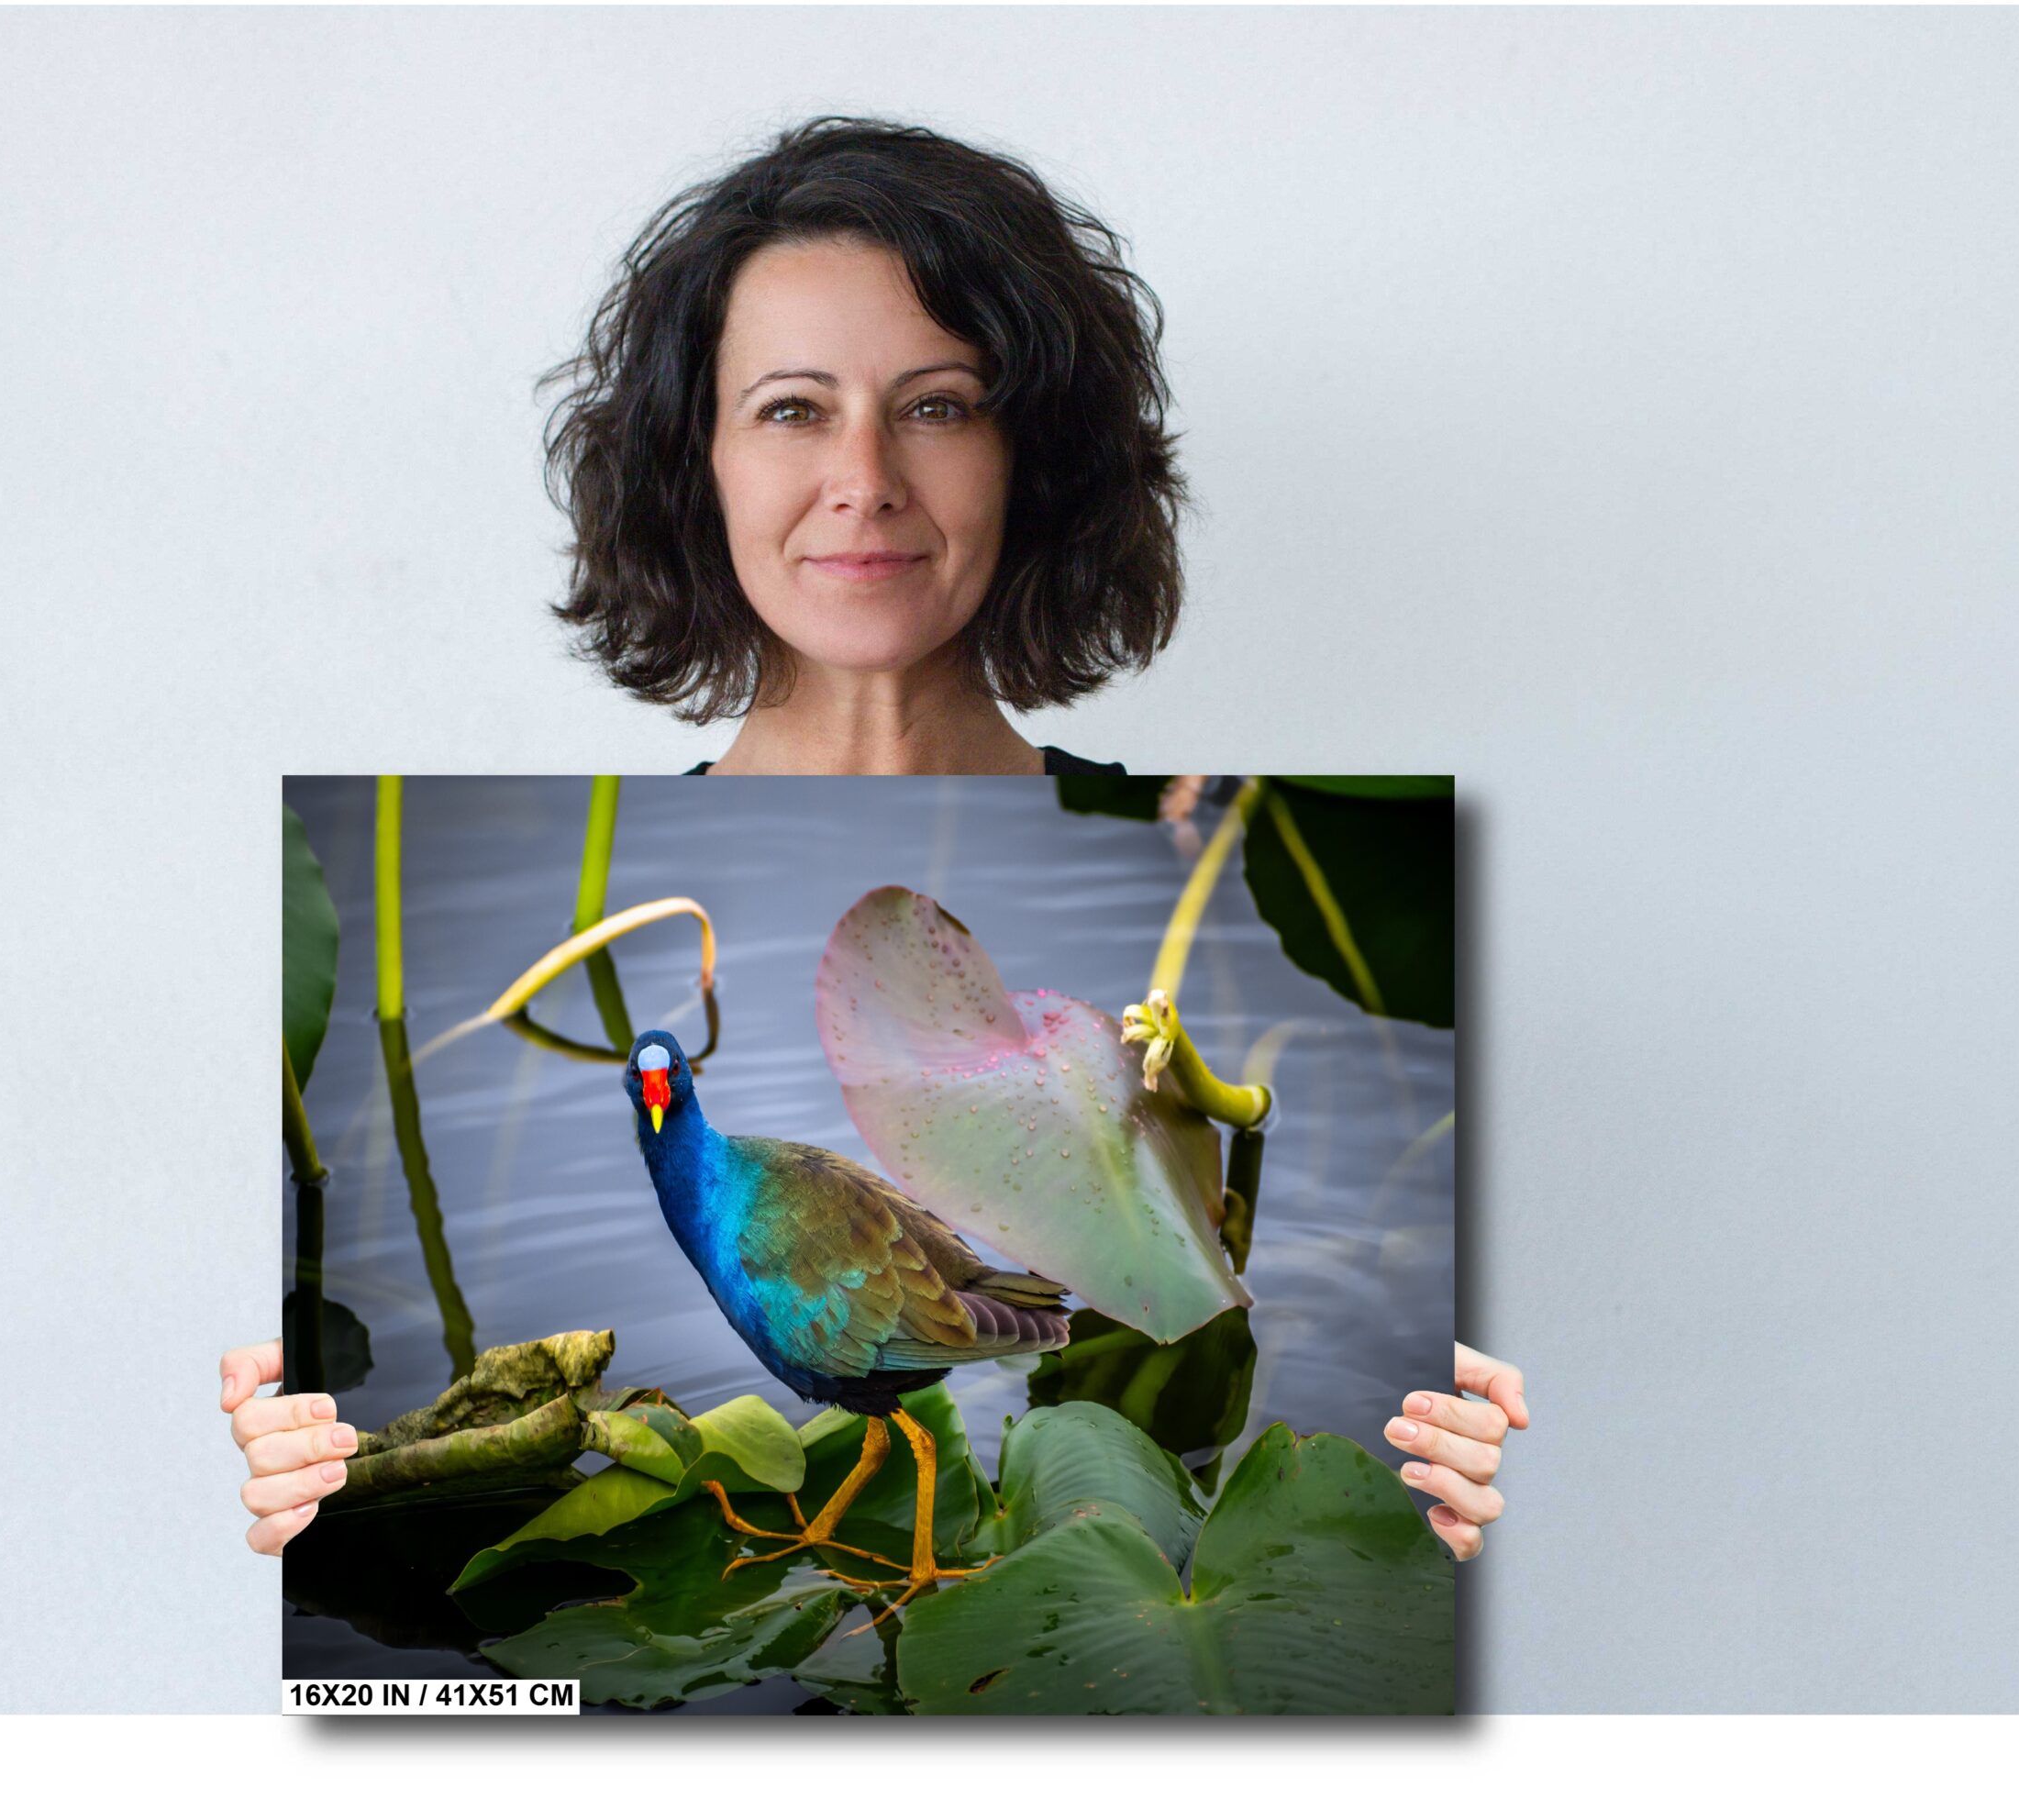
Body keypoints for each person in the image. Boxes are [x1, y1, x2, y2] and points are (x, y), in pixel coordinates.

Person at [236, 117, 1526, 1559]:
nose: (865, 478)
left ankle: (889, 1552)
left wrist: (1442, 1446)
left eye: (939, 406)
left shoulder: (1207, 832)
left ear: (1033, 460)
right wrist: (291, 1479)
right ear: (698, 464)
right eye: (793, 409)